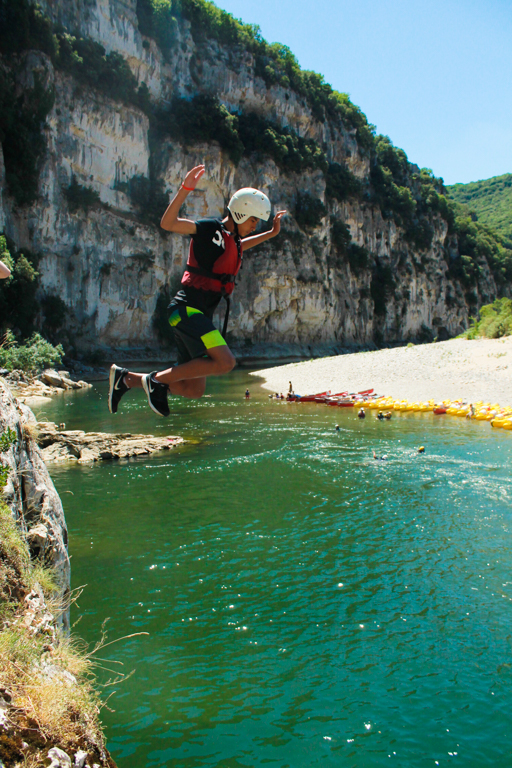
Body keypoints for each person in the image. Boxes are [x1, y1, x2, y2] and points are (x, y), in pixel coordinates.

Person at [108, 165, 286, 416]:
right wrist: (185, 189)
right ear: (240, 213)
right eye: (254, 220)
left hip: (196, 317)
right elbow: (168, 223)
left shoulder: (231, 239)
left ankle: (126, 380)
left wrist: (270, 233)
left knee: (193, 389)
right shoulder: (209, 229)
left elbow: (240, 246)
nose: (255, 226)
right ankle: (155, 381)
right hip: (185, 312)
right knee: (226, 362)